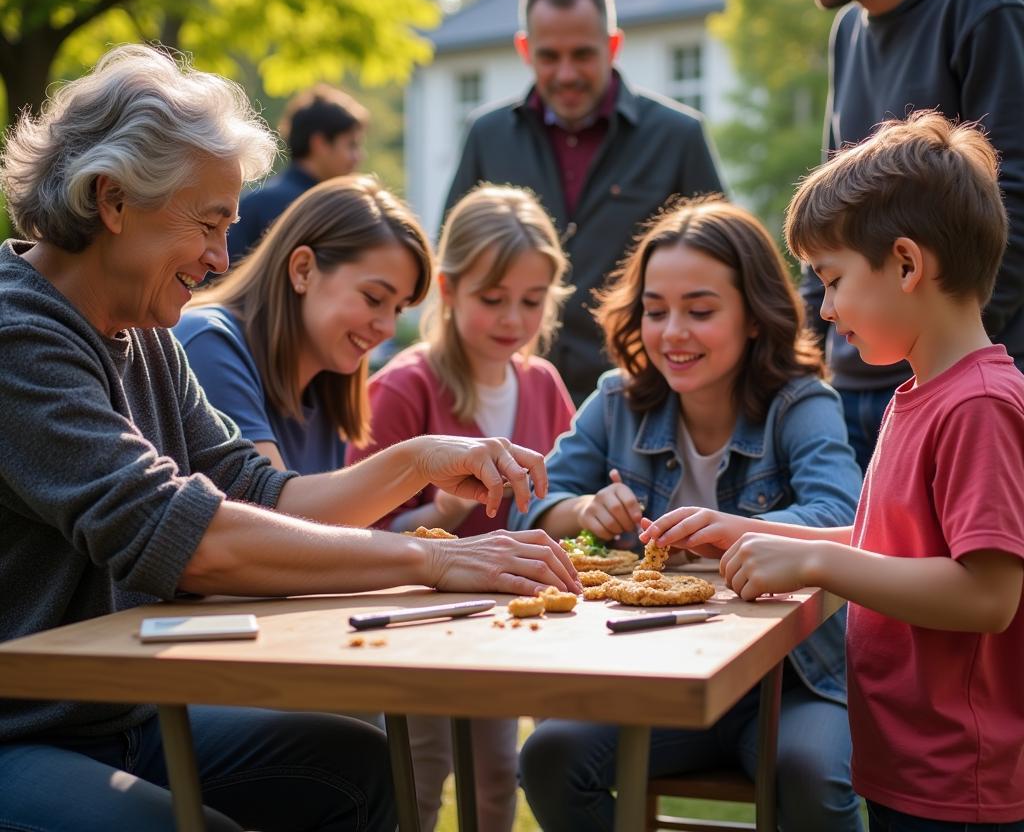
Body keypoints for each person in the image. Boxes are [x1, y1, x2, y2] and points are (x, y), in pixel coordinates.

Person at [0, 44, 581, 832]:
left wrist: (417, 459)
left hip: (116, 715)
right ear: (112, 200)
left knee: (356, 767)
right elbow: (186, 538)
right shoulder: (19, 339)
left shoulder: (147, 337)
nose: (219, 257)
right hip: (21, 731)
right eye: (208, 224)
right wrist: (434, 557)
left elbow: (262, 495)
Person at [645, 113, 1024, 831]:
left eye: (833, 279)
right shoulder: (921, 394)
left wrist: (816, 559)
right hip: (907, 762)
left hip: (958, 782)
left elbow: (987, 594)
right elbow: (900, 547)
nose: (823, 308)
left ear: (908, 265)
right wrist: (751, 533)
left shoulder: (979, 406)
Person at [513, 197, 863, 832]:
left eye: (700, 311)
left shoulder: (800, 403)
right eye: (655, 310)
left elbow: (840, 512)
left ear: (754, 317)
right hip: (654, 678)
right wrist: (585, 509)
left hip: (790, 684)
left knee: (813, 777)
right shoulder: (617, 401)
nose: (672, 332)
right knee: (551, 755)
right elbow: (535, 506)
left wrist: (735, 530)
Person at [750, 0, 1024, 471]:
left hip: (957, 391)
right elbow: (828, 224)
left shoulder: (982, 6)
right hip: (858, 390)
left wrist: (937, 367)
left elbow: (1012, 207)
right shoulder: (848, 32)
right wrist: (815, 358)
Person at [348, 183, 576, 832]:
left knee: (497, 774)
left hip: (509, 620)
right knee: (419, 773)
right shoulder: (404, 387)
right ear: (448, 292)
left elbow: (551, 498)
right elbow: (349, 530)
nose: (512, 319)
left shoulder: (543, 384)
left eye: (532, 302)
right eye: (492, 299)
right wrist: (444, 513)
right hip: (422, 624)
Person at [443, 0, 726, 405]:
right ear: (525, 50)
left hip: (643, 393)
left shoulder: (678, 136)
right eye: (549, 56)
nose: (567, 73)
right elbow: (452, 255)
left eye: (583, 54)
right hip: (508, 391)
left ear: (613, 46)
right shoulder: (487, 134)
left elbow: (723, 267)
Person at [176, 174, 431, 473]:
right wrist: (419, 462)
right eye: (374, 298)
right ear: (303, 269)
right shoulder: (208, 341)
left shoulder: (329, 389)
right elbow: (271, 511)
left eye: (399, 309)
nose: (388, 328)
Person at [228, 83, 368, 265]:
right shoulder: (325, 208)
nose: (359, 156)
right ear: (319, 143)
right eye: (351, 145)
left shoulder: (254, 202)